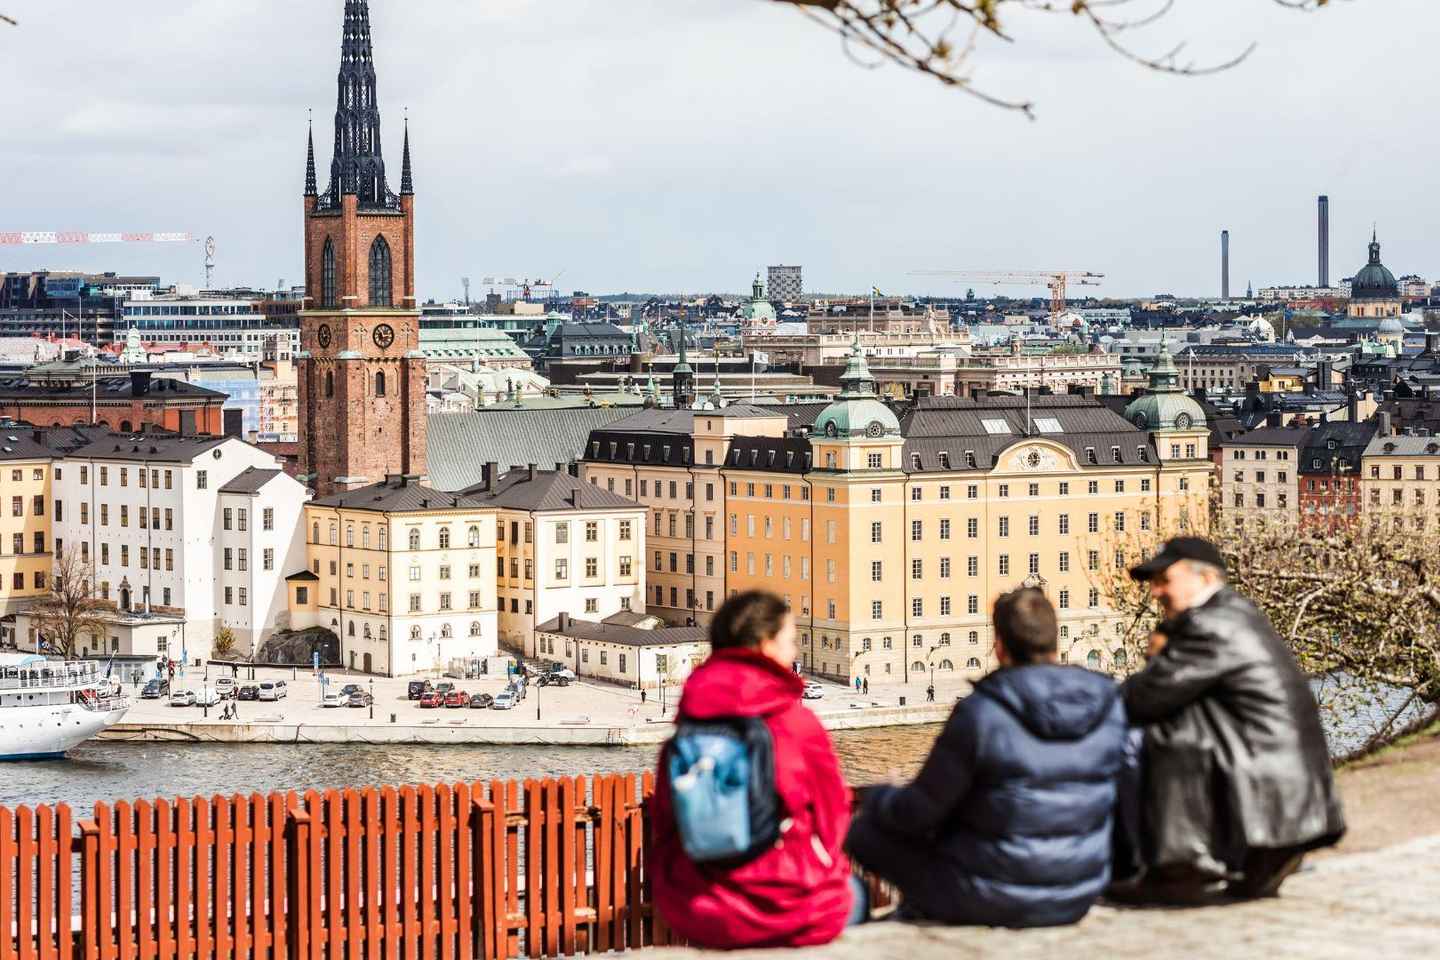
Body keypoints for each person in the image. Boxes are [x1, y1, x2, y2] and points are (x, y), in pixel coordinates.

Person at [846, 587, 1127, 928]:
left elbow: (918, 812)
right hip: (1076, 892)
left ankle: (917, 912)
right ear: (1056, 642)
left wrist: (880, 796)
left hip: (988, 895)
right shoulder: (1108, 705)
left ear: (999, 647)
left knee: (862, 833)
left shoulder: (982, 712)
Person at [1115, 537, 1345, 903]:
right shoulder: (1234, 613)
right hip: (1283, 776)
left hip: (1265, 776)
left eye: (1164, 580)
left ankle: (1173, 865)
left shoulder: (1211, 624)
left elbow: (1144, 699)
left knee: (1132, 737)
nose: (1155, 592)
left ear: (1204, 578)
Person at [651, 591, 859, 948]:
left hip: (700, 907)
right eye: (790, 641)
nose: (794, 653)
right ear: (765, 646)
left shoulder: (689, 726)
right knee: (856, 894)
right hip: (791, 906)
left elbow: (666, 823)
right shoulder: (797, 725)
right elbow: (832, 817)